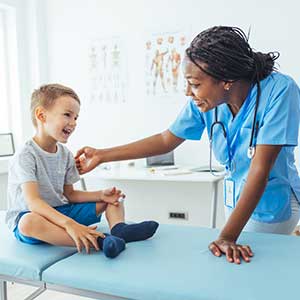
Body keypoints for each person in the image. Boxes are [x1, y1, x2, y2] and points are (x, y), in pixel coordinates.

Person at [75, 26, 300, 264]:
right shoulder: (206, 100)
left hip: (272, 204)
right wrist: (102, 155)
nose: (187, 92)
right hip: (235, 201)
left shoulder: (280, 91)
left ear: (226, 80)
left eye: (194, 83)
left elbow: (260, 169)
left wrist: (226, 236)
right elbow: (166, 140)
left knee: (251, 275)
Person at [5, 84, 158, 258]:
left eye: (76, 117)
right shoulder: (26, 154)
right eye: (67, 115)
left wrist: (101, 195)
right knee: (28, 223)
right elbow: (33, 202)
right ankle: (100, 241)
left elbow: (70, 195)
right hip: (35, 216)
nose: (73, 122)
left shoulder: (65, 154)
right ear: (41, 115)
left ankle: (119, 230)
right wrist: (70, 224)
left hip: (61, 210)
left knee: (113, 198)